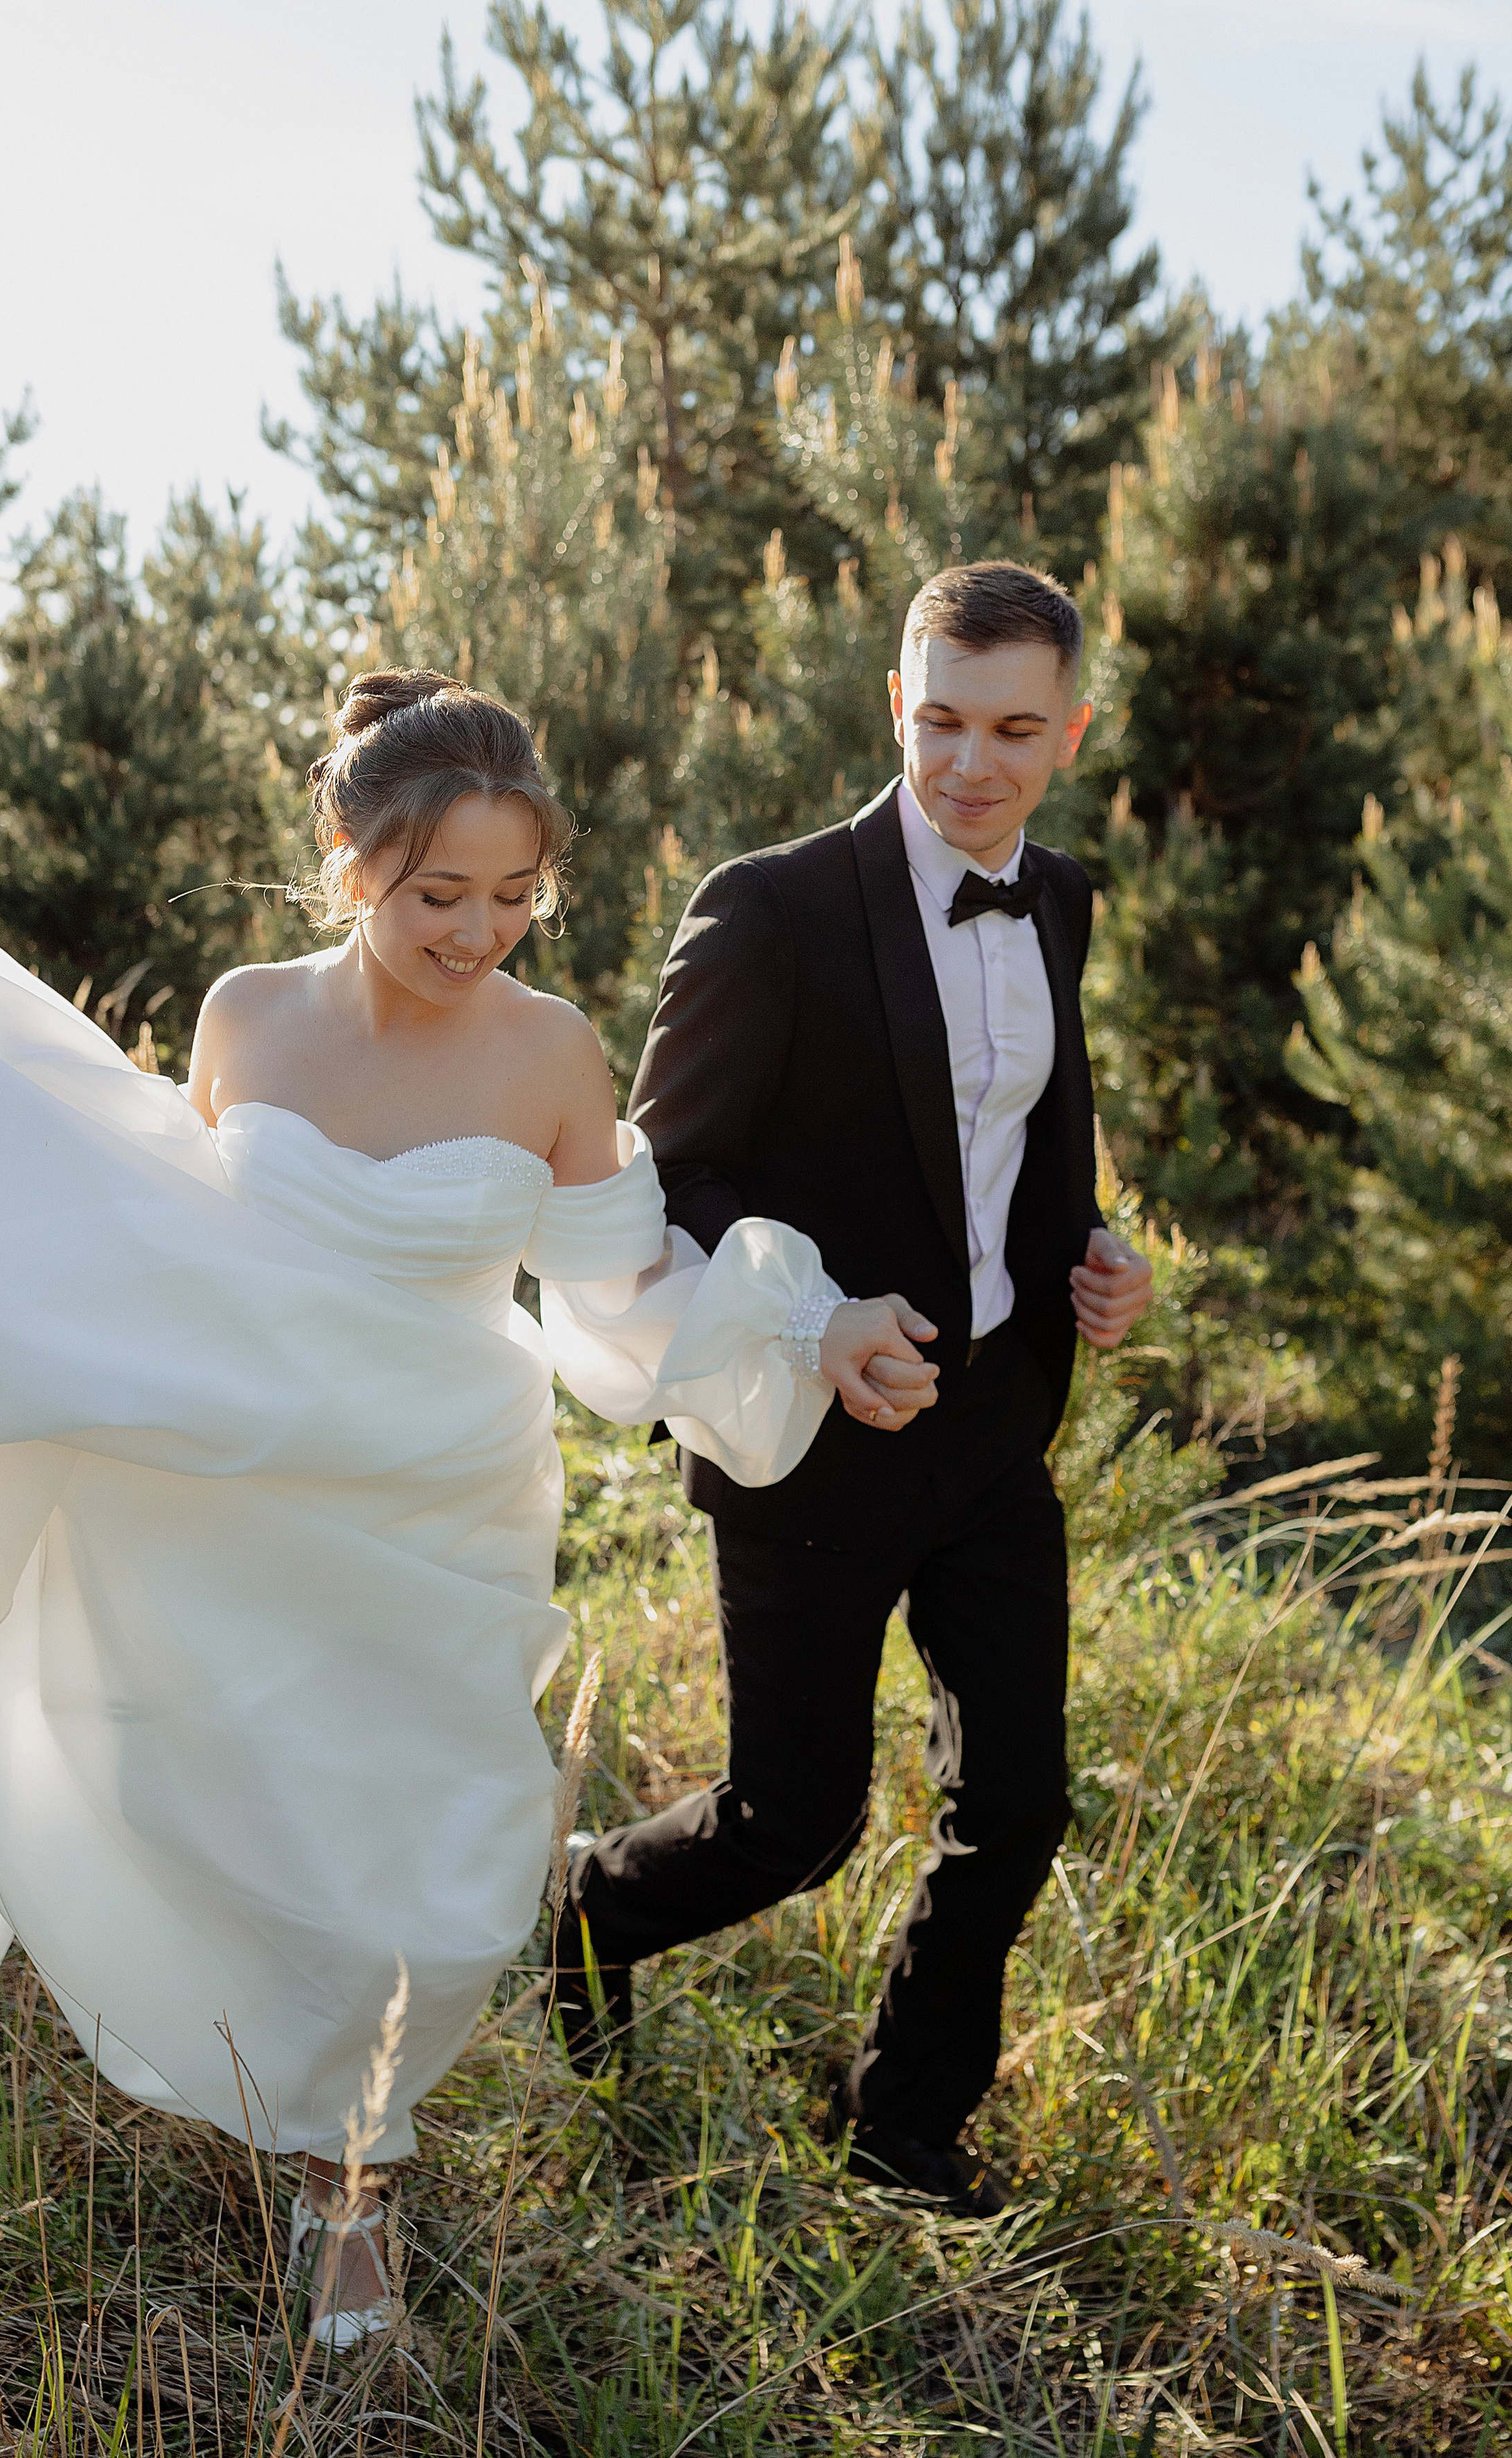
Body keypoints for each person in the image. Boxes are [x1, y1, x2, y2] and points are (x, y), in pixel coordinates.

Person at [0, 669, 936, 2344]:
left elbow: (620, 1296)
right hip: (238, 1495)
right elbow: (185, 1239)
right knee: (227, 1808)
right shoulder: (244, 1017)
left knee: (434, 1863)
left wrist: (814, 1330)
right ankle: (314, 2145)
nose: (479, 934)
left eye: (515, 896)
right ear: (345, 859)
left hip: (438, 1503)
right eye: (436, 894)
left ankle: (356, 2176)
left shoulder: (552, 1053)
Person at [553, 562, 1155, 2215]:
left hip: (989, 1433)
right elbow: (662, 1188)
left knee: (1014, 1808)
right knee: (788, 1821)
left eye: (1014, 730)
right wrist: (813, 1320)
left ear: (1069, 732)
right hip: (807, 1436)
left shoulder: (1065, 901)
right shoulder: (769, 910)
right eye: (942, 721)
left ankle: (900, 2134)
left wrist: (1092, 1254)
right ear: (897, 705)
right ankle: (580, 1919)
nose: (973, 763)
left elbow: (1022, 1138)